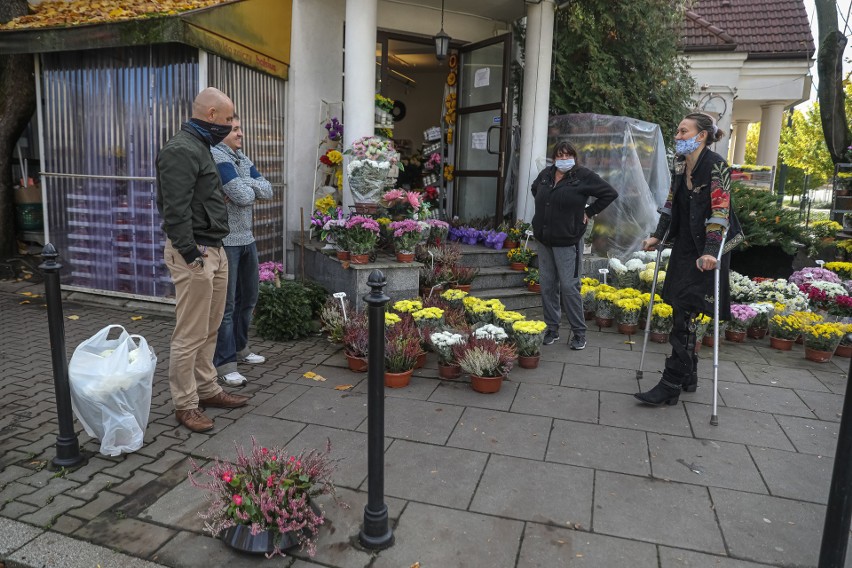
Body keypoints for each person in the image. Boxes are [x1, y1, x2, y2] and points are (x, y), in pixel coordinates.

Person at [156, 87, 250, 433]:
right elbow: (173, 208)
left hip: (214, 248)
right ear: (211, 115)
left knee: (209, 328)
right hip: (195, 252)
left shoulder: (203, 146)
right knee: (190, 333)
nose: (229, 126)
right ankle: (185, 404)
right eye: (227, 120)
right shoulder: (181, 150)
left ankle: (208, 390)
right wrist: (191, 253)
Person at [635, 112, 742, 406]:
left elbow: (720, 213)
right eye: (678, 131)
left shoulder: (717, 166)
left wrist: (709, 251)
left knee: (686, 310)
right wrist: (658, 234)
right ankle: (689, 375)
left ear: (702, 135)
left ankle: (671, 383)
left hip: (708, 249)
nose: (678, 136)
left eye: (684, 131)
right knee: (681, 307)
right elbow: (672, 202)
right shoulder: (681, 164)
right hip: (684, 245)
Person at [531, 140, 618, 350]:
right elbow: (536, 190)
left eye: (567, 155)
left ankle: (579, 333)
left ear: (574, 157)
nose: (563, 159)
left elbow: (610, 193)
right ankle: (552, 329)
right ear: (554, 158)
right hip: (544, 239)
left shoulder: (583, 176)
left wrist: (588, 211)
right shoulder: (546, 175)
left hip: (568, 240)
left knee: (570, 287)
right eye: (559, 156)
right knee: (548, 285)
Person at [212, 115, 273, 386]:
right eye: (236, 129)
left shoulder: (242, 158)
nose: (241, 134)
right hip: (226, 241)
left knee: (248, 297)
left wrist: (244, 185)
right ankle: (224, 364)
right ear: (223, 131)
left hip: (247, 238)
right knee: (226, 306)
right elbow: (243, 196)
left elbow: (268, 190)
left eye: (240, 128)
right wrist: (248, 187)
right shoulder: (217, 156)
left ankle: (241, 348)